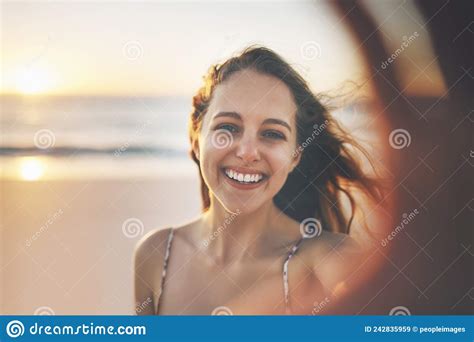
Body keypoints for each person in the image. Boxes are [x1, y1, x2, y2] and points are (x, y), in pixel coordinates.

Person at [134, 46, 382, 315]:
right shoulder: (156, 255)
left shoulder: (327, 261)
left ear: (295, 156)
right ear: (196, 139)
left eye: (272, 134)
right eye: (228, 127)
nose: (247, 152)